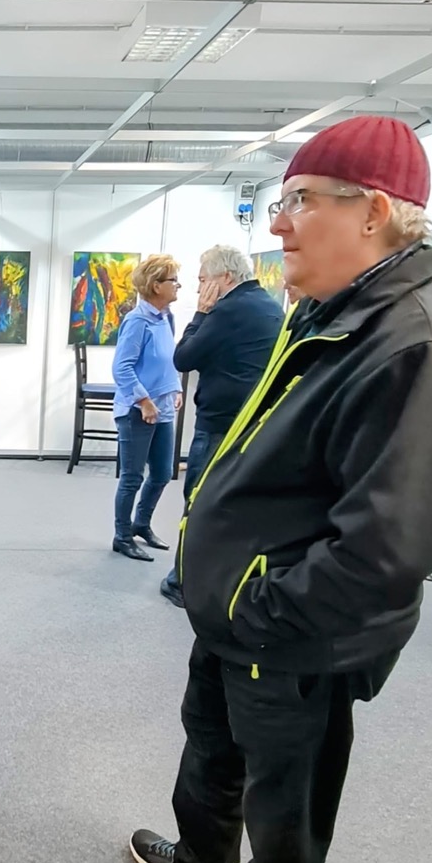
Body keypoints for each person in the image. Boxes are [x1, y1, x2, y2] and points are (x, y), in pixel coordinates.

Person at [129, 115, 432, 863]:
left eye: (299, 200)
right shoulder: (335, 313)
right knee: (212, 746)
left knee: (286, 801)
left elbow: (389, 546)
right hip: (242, 610)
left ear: (373, 212)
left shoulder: (416, 346)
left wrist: (263, 606)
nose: (278, 222)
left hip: (293, 632)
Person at [159, 246, 283, 607]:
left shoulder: (226, 310)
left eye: (202, 280)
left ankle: (183, 582)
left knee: (198, 503)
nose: (199, 289)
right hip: (255, 423)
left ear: (224, 278)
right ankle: (224, 580)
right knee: (234, 506)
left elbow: (184, 357)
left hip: (219, 423)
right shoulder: (269, 305)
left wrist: (200, 314)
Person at [110, 254, 182, 561]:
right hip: (137, 411)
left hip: (163, 407)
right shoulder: (137, 321)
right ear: (155, 285)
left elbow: (167, 358)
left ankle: (141, 523)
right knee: (132, 477)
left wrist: (176, 386)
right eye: (173, 280)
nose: (178, 285)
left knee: (163, 473)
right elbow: (121, 367)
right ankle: (122, 536)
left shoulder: (166, 317)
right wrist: (144, 401)